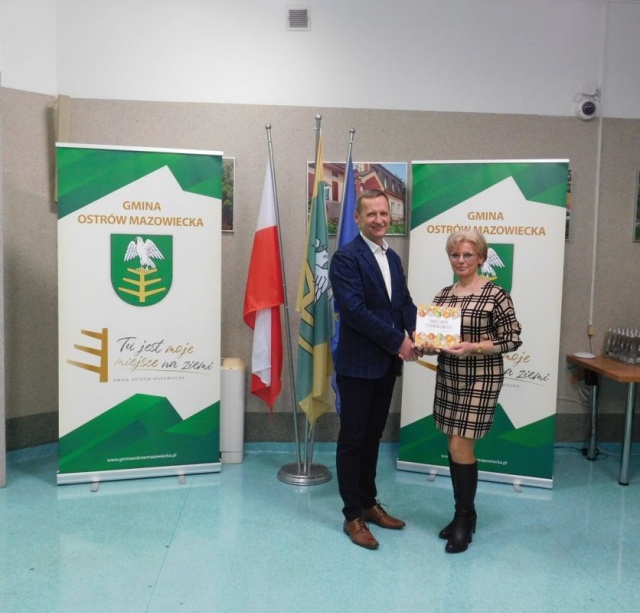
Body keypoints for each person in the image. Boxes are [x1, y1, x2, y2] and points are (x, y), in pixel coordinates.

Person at [420, 230, 522, 554]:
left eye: (468, 255)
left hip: (482, 377)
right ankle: (464, 514)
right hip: (449, 376)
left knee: (460, 445)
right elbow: (436, 341)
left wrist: (474, 347)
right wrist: (425, 345)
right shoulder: (443, 296)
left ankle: (463, 519)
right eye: (455, 255)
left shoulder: (496, 294)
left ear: (481, 258)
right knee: (452, 447)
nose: (461, 260)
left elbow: (512, 339)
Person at [329, 189, 418, 550]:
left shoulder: (392, 257)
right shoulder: (346, 258)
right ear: (357, 218)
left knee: (373, 437)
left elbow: (403, 303)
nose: (379, 220)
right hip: (357, 366)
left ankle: (368, 501)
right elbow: (354, 311)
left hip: (384, 366)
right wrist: (398, 341)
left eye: (384, 213)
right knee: (353, 439)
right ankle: (352, 514)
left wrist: (420, 332)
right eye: (371, 214)